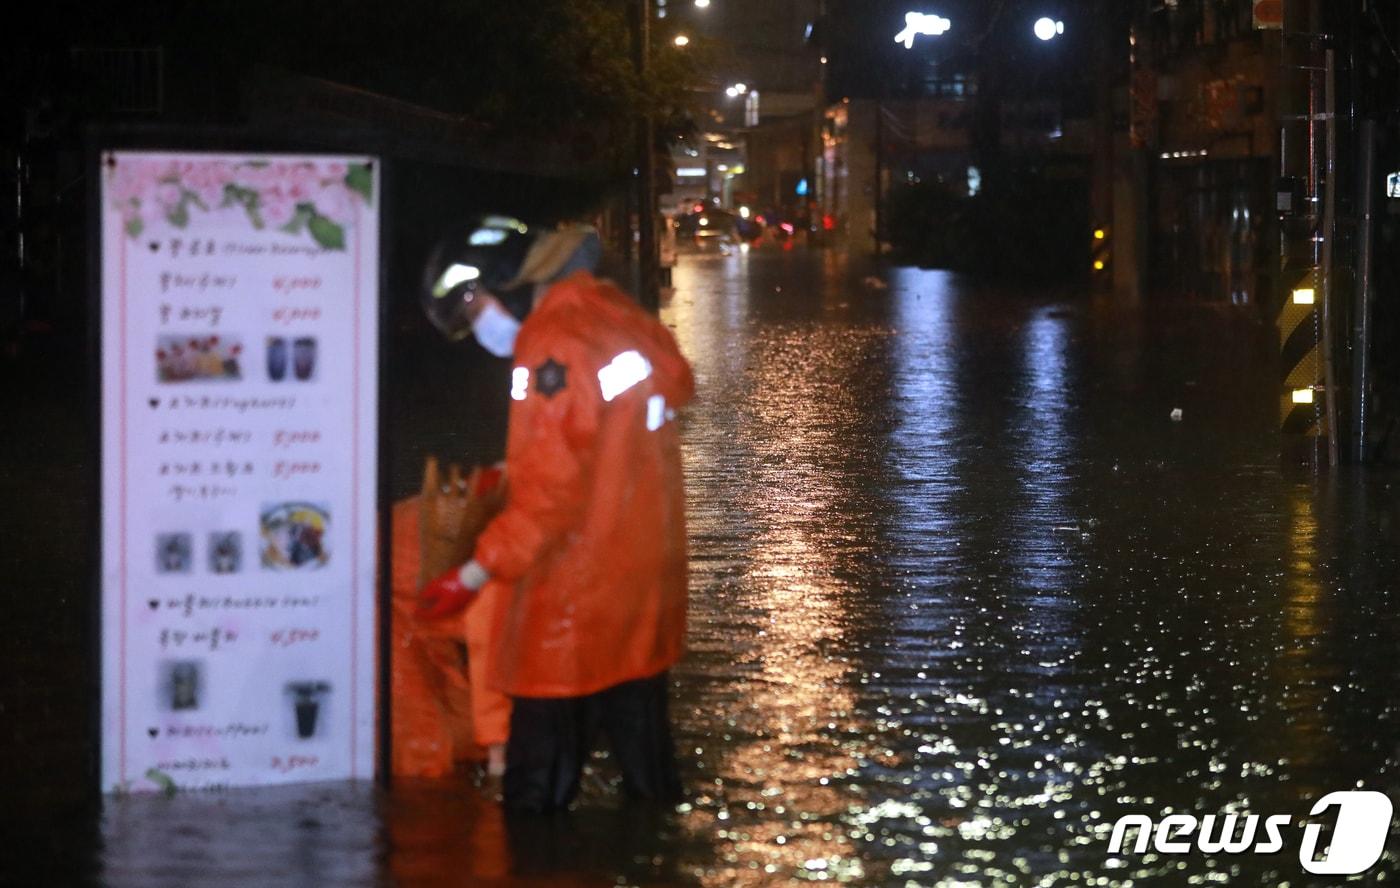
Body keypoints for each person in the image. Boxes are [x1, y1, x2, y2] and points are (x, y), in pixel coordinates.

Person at [420, 214, 695, 813]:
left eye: (474, 311)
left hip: (572, 605)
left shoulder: (551, 344)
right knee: (652, 789)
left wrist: (471, 573)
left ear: (499, 285)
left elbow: (551, 498)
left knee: (534, 804)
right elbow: (606, 449)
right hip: (642, 596)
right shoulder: (621, 318)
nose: (481, 329)